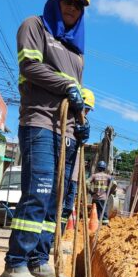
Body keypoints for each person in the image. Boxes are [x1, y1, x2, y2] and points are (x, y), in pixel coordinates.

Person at [2, 0, 91, 277]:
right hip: (39, 122)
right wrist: (67, 85)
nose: (71, 7)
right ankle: (15, 263)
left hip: (66, 131)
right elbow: (30, 68)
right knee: (38, 191)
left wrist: (82, 122)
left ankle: (39, 261)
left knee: (55, 199)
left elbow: (75, 93)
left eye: (78, 4)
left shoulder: (77, 54)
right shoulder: (34, 27)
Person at [61, 88, 95, 234]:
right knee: (56, 205)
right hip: (63, 173)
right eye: (84, 109)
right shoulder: (65, 121)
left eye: (87, 110)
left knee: (67, 208)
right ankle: (47, 239)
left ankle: (57, 237)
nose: (85, 113)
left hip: (73, 176)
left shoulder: (83, 124)